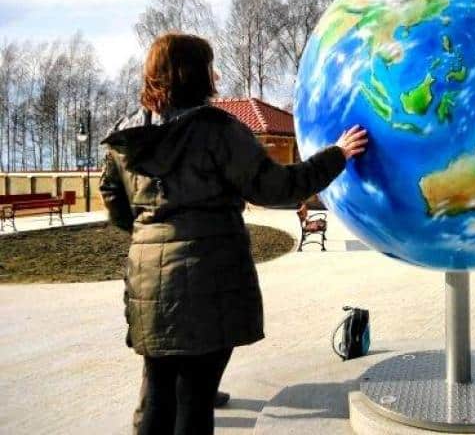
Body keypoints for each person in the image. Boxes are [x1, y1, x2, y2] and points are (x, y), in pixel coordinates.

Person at [99, 31, 367, 435]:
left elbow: (114, 201)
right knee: (194, 397)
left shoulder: (128, 137)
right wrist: (338, 154)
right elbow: (276, 189)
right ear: (197, 74)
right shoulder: (217, 131)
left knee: (156, 390)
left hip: (147, 283)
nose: (216, 73)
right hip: (209, 277)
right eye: (210, 66)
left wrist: (149, 236)